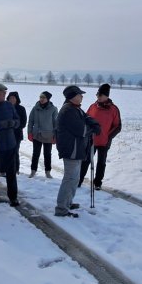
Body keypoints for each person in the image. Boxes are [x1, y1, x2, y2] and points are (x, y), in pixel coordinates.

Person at [54, 85, 99, 218]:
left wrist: (94, 123)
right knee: (69, 178)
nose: (82, 96)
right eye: (80, 95)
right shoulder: (68, 111)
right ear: (73, 97)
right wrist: (93, 129)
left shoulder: (75, 108)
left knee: (75, 178)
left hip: (77, 149)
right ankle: (61, 208)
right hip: (71, 149)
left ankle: (68, 202)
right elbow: (81, 130)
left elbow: (86, 118)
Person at [84, 83, 123, 190]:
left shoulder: (114, 109)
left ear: (106, 96)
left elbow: (118, 126)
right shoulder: (92, 107)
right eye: (97, 94)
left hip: (104, 141)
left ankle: (97, 183)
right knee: (86, 160)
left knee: (101, 162)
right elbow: (85, 120)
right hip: (91, 140)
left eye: (100, 95)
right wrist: (87, 132)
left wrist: (107, 136)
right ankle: (79, 179)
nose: (98, 97)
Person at [26, 91, 59, 178]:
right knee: (35, 154)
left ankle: (48, 172)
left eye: (43, 98)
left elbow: (56, 124)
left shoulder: (53, 109)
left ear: (48, 99)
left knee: (47, 154)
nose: (41, 99)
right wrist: (29, 132)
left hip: (48, 135)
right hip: (36, 134)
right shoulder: (35, 108)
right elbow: (30, 121)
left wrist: (55, 136)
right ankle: (33, 171)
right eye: (40, 97)